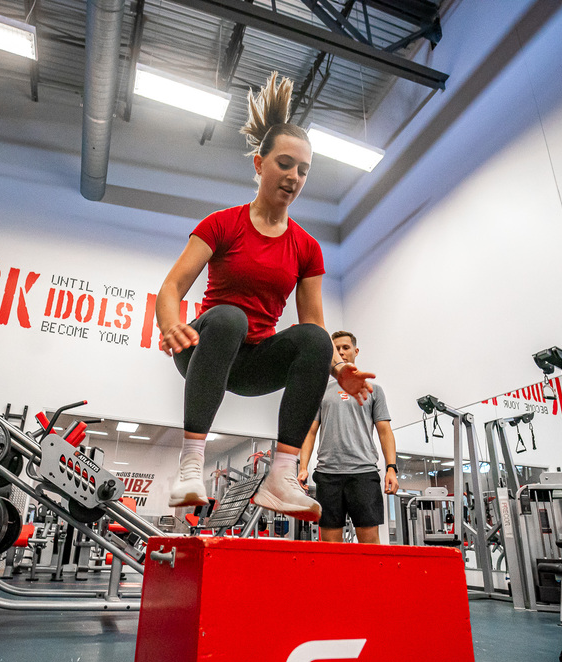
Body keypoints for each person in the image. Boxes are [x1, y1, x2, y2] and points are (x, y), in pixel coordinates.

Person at [156, 72, 374, 522]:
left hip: (256, 365)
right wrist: (169, 323)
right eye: (285, 164)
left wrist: (339, 370)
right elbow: (171, 287)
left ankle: (282, 476)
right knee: (230, 317)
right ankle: (191, 465)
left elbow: (312, 326)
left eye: (303, 170)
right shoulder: (223, 224)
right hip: (205, 349)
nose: (294, 177)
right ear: (259, 164)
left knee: (315, 337)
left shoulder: (306, 247)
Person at [298, 331, 398, 543]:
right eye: (337, 349)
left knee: (370, 543)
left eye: (346, 347)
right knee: (330, 545)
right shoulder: (321, 389)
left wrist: (391, 467)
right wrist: (302, 466)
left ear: (356, 351)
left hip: (363, 473)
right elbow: (311, 431)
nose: (342, 352)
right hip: (327, 474)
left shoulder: (374, 390)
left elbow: (384, 431)